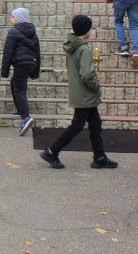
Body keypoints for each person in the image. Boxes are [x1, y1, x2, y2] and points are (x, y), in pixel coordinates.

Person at [39, 15, 118, 170]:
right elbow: (87, 74)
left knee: (95, 124)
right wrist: (96, 86)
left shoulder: (72, 46)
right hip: (86, 93)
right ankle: (52, 151)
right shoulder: (84, 49)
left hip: (79, 92)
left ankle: (99, 156)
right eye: (89, 28)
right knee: (77, 126)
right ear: (85, 30)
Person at [0, 7, 40, 136]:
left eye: (12, 17)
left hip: (21, 64)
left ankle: (25, 117)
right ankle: (20, 108)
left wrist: (4, 71)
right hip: (30, 64)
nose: (11, 19)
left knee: (20, 90)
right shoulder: (33, 33)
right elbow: (38, 53)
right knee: (14, 83)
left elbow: (7, 53)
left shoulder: (13, 32)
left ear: (18, 19)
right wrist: (35, 71)